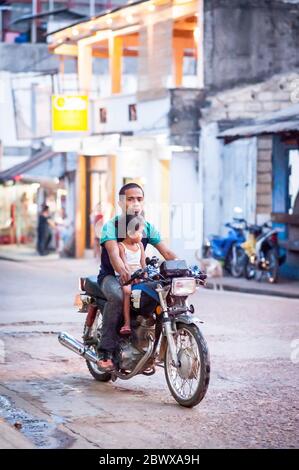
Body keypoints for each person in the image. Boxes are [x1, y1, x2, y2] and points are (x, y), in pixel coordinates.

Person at [96, 182, 178, 372]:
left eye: (139, 199)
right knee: (117, 297)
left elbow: (166, 252)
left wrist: (184, 268)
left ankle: (148, 345)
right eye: (130, 199)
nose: (135, 203)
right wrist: (123, 271)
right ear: (120, 203)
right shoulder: (111, 227)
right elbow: (114, 254)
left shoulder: (147, 228)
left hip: (138, 276)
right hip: (111, 277)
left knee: (161, 295)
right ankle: (105, 352)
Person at [117, 214, 146, 335]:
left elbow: (143, 264)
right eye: (140, 232)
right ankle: (127, 323)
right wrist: (131, 277)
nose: (142, 235)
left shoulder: (140, 245)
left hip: (139, 275)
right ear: (130, 233)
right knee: (127, 292)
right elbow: (124, 265)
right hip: (126, 277)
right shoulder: (121, 246)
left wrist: (144, 275)